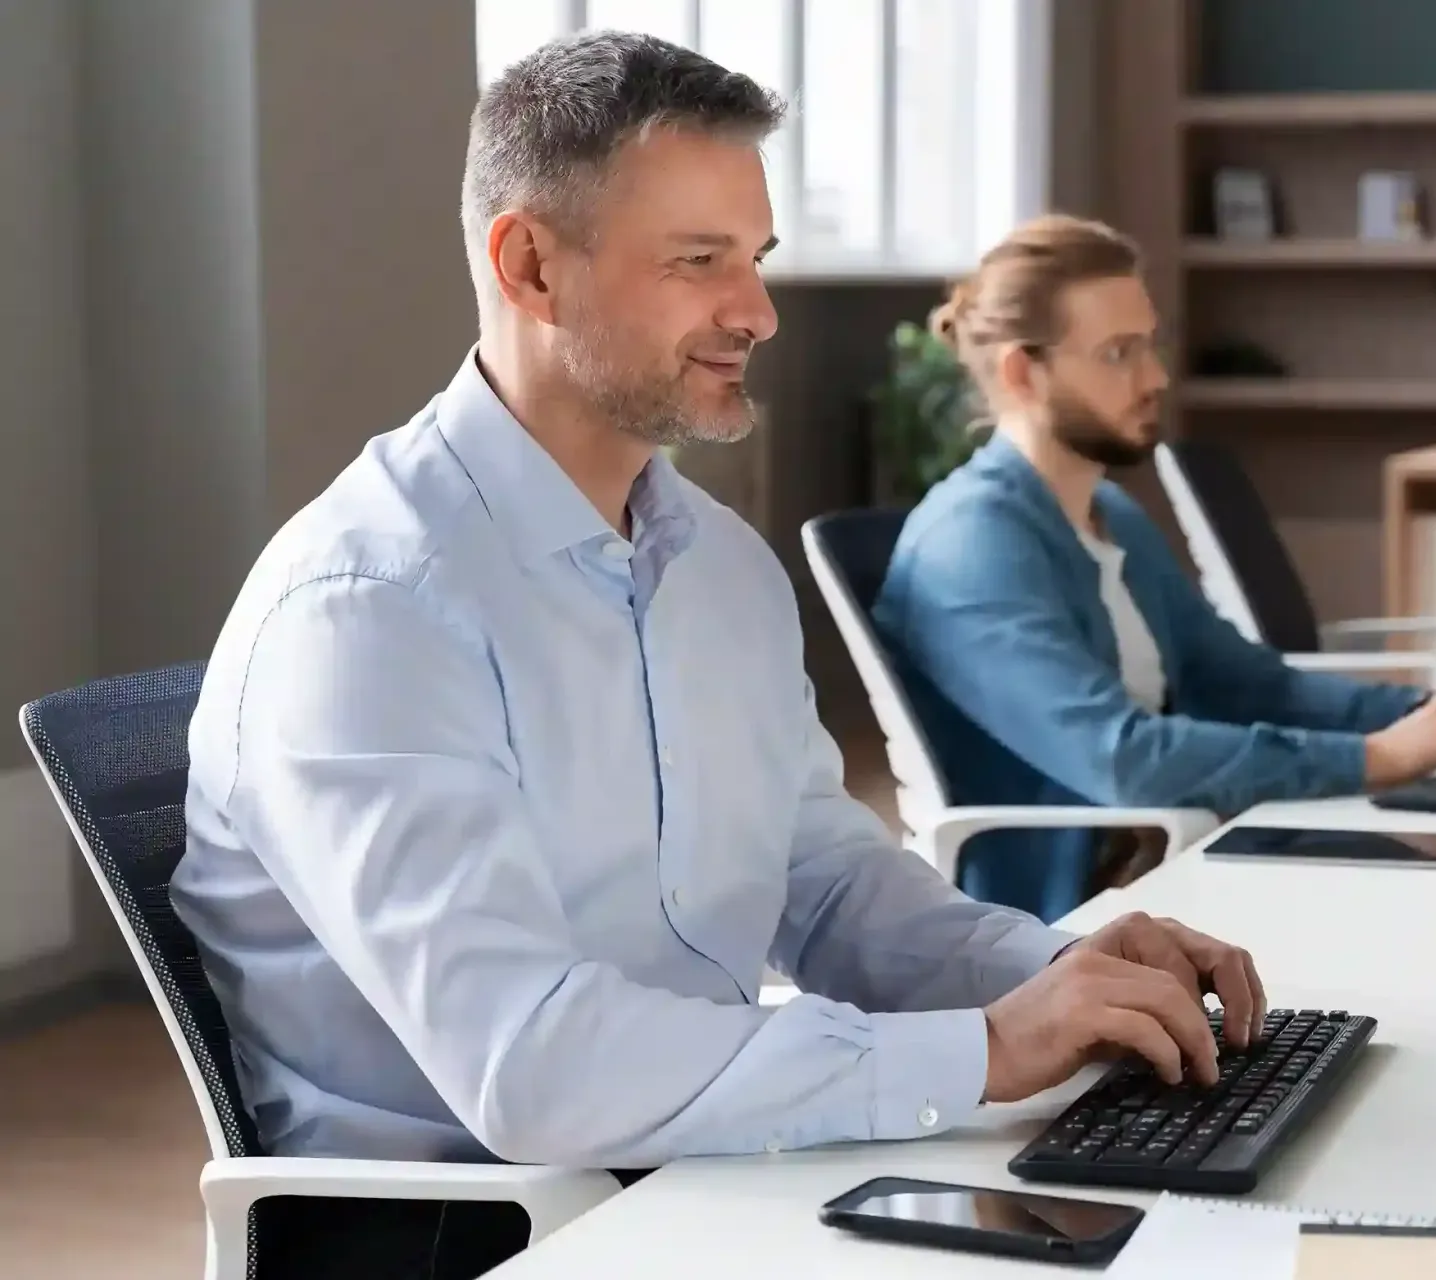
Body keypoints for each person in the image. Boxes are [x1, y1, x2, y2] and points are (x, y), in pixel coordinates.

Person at [170, 35, 1264, 1280]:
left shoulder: (719, 566)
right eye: (699, 263)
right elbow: (534, 1065)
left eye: (756, 259)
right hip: (482, 1234)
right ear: (529, 264)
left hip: (697, 1173)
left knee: (1205, 1231)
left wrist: (1062, 972)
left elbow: (828, 885)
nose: (756, 311)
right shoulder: (368, 609)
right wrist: (985, 1051)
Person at [873, 215, 1436, 923]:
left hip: (1170, 859)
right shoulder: (972, 545)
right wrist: (1376, 758)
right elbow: (1124, 759)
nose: (1156, 377)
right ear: (1023, 372)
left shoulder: (1108, 512)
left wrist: (1432, 715)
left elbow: (1247, 684)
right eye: (1119, 353)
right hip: (1075, 918)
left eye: (1150, 345)